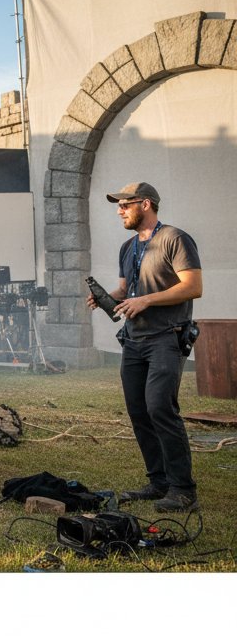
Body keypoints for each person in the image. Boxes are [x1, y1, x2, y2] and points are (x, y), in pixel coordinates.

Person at [87, 182, 202, 513]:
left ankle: (183, 490)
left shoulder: (175, 239)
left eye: (125, 204)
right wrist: (107, 298)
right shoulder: (127, 247)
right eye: (118, 206)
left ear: (146, 204)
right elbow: (126, 289)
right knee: (139, 411)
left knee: (160, 408)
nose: (119, 211)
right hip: (134, 340)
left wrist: (146, 300)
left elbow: (193, 286)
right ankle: (159, 482)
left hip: (166, 336)